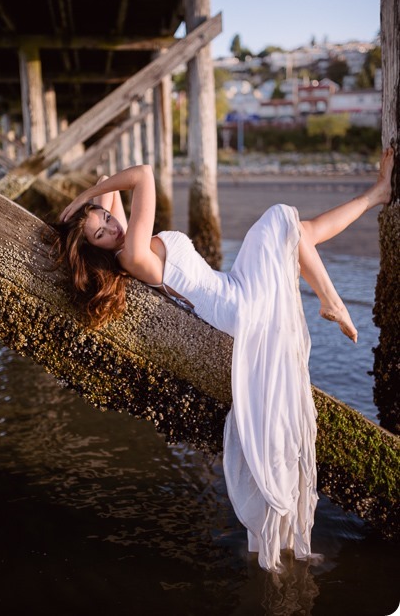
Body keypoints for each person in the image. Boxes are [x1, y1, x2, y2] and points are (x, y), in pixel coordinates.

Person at [53, 148, 394, 572]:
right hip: (235, 307)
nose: (109, 225)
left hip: (231, 286)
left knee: (298, 231)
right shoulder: (131, 254)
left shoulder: (121, 241)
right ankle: (332, 300)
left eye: (104, 220)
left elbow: (114, 200)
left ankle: (378, 194)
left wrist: (96, 195)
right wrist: (92, 189)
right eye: (100, 232)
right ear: (99, 250)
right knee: (280, 219)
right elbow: (142, 174)